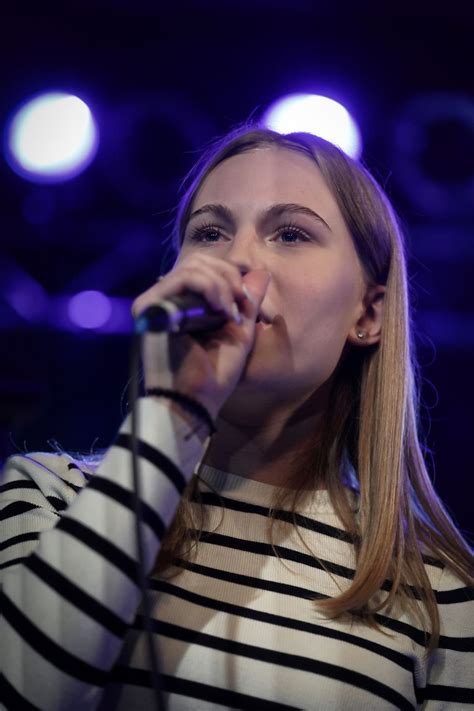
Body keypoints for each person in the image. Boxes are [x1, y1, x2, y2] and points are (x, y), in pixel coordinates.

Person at [1, 123, 473, 710]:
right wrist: (174, 413)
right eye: (210, 233)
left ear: (368, 313)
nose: (237, 259)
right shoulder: (47, 497)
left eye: (291, 233)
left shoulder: (439, 594)